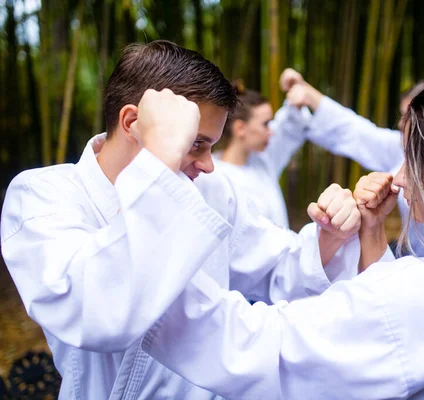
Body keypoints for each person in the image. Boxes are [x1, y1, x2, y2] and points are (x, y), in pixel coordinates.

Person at [142, 78, 424, 399]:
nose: (399, 178)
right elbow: (409, 341)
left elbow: (262, 347)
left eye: (411, 162)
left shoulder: (418, 294)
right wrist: (370, 233)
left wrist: (140, 275)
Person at [0, 40, 363, 399]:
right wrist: (158, 159)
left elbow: (276, 267)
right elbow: (97, 310)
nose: (208, 164)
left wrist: (329, 237)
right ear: (132, 123)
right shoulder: (41, 196)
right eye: (195, 144)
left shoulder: (211, 189)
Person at [281, 68, 424, 255]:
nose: (401, 123)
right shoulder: (399, 146)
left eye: (410, 116)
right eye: (403, 115)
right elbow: (355, 131)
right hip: (413, 255)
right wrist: (306, 90)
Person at [215, 81, 310, 228]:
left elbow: (290, 125)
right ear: (240, 128)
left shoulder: (263, 161)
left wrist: (295, 100)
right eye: (265, 124)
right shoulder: (213, 174)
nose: (271, 131)